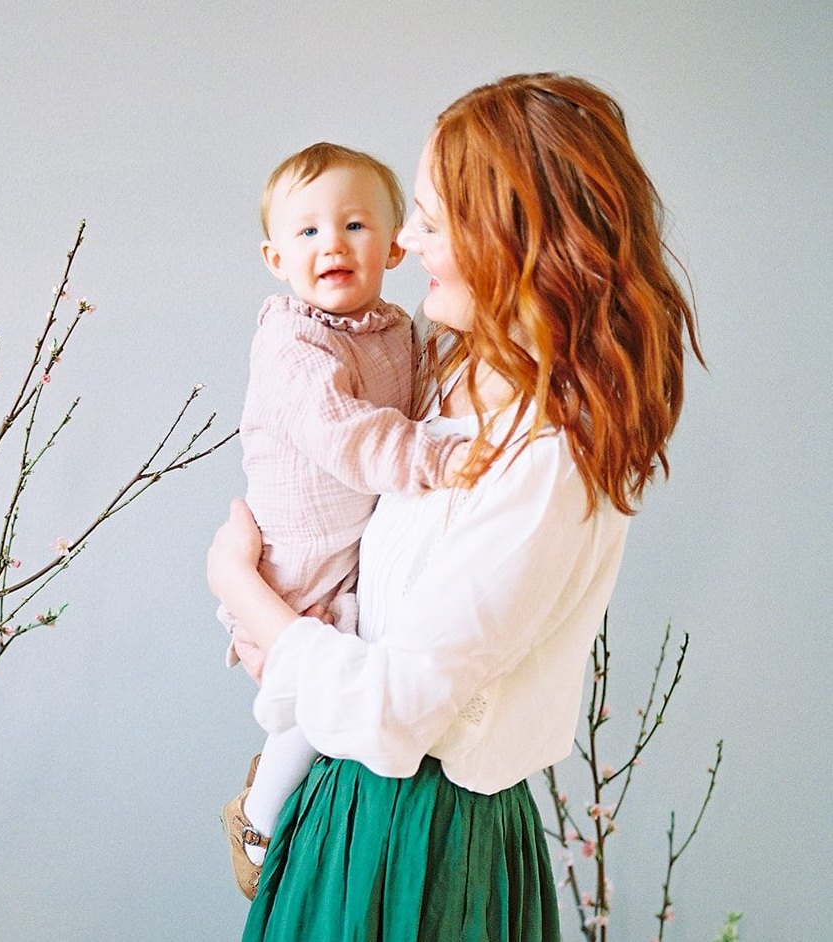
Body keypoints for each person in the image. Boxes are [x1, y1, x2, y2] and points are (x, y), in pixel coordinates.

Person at [208, 73, 703, 941]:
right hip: (348, 808)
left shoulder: (549, 457)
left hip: (421, 845)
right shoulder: (445, 375)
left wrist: (241, 589)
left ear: (514, 243)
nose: (405, 241)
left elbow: (396, 707)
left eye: (432, 223)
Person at [219, 142, 472, 900]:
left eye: (355, 225)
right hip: (297, 562)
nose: (332, 243)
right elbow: (347, 434)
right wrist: (441, 459)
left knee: (343, 681)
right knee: (319, 683)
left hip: (352, 548)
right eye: (307, 231)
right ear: (275, 258)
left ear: (394, 246)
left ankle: (276, 790)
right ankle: (257, 818)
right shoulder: (291, 342)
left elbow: (419, 400)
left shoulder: (396, 328)